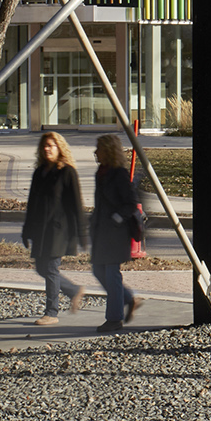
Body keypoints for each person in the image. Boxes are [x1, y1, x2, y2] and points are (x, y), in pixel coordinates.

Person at [20, 129, 87, 326]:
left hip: (59, 230)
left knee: (50, 268)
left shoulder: (67, 172)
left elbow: (77, 205)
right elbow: (32, 203)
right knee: (41, 267)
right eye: (45, 146)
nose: (47, 149)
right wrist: (26, 230)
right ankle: (74, 290)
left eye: (51, 145)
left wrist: (82, 234)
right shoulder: (39, 173)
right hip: (41, 230)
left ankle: (51, 312)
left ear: (60, 148)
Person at [89, 133, 144, 332]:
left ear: (108, 151)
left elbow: (130, 203)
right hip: (101, 231)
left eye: (99, 148)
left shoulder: (118, 173)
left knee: (112, 274)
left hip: (116, 233)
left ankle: (114, 318)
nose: (95, 152)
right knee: (98, 270)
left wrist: (116, 219)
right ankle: (129, 299)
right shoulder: (101, 172)